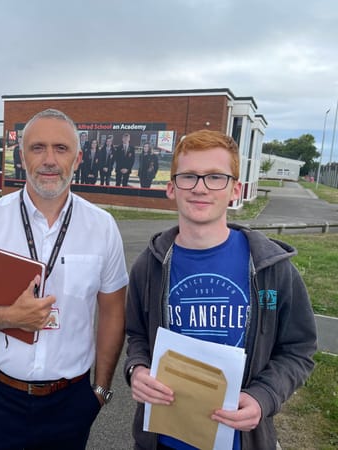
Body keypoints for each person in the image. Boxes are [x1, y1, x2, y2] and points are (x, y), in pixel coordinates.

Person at [0, 108, 128, 450]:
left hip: (69, 404)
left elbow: (113, 310)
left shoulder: (102, 227)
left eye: (61, 148)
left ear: (78, 158)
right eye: (38, 148)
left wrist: (99, 390)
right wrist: (9, 316)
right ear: (22, 157)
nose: (49, 160)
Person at [124, 129, 317, 450]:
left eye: (215, 177)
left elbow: (299, 349)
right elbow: (137, 336)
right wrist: (137, 369)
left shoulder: (271, 267)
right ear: (171, 188)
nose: (200, 188)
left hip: (241, 441)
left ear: (234, 189)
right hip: (163, 440)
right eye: (188, 177)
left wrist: (264, 396)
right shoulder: (149, 265)